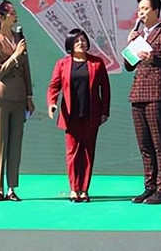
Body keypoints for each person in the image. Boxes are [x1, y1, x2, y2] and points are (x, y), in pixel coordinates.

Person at [124, 0, 161, 204]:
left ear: (156, 11)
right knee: (144, 145)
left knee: (159, 143)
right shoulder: (139, 36)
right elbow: (129, 66)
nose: (141, 12)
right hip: (137, 94)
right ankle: (149, 187)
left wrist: (154, 58)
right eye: (139, 9)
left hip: (156, 94)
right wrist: (130, 44)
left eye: (145, 8)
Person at [47, 28, 111, 202]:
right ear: (70, 44)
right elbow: (54, 86)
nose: (81, 43)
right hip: (70, 116)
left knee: (88, 153)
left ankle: (84, 190)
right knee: (72, 153)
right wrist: (52, 103)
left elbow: (105, 89)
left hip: (91, 115)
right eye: (76, 41)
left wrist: (105, 111)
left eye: (83, 40)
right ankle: (74, 189)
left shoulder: (97, 63)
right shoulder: (62, 64)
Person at [0, 0, 35, 202]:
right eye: (12, 13)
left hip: (19, 97)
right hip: (0, 97)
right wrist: (15, 56)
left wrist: (29, 96)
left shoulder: (19, 39)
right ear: (1, 17)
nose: (16, 16)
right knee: (0, 143)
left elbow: (26, 69)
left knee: (15, 143)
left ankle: (12, 187)